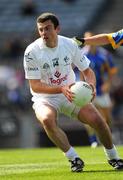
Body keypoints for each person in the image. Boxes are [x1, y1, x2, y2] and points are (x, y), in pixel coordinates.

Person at [23, 12, 123, 172]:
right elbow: (35, 86)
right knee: (47, 120)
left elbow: (88, 71)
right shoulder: (31, 51)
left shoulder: (69, 44)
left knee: (99, 121)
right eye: (41, 29)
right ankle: (74, 158)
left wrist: (91, 85)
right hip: (45, 97)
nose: (43, 33)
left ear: (58, 29)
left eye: (47, 28)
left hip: (72, 92)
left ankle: (114, 157)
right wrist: (61, 88)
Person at [74, 31, 118, 148]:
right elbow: (78, 71)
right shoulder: (81, 54)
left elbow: (112, 71)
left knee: (107, 116)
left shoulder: (104, 55)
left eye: (91, 39)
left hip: (101, 88)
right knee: (88, 115)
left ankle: (109, 136)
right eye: (87, 39)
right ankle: (93, 139)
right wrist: (82, 86)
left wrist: (108, 84)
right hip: (87, 89)